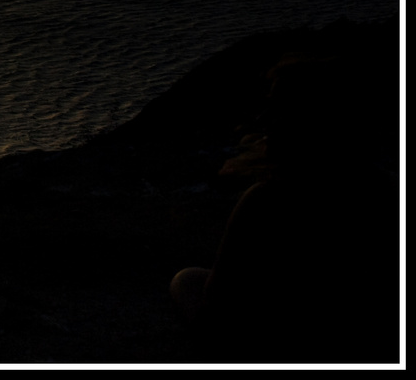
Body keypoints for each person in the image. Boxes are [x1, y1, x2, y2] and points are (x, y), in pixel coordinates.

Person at [169, 55, 398, 363]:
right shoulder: (383, 190)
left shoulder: (266, 201)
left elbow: (219, 300)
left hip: (283, 342)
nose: (264, 118)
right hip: (362, 340)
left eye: (278, 109)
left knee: (186, 281)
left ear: (308, 120)